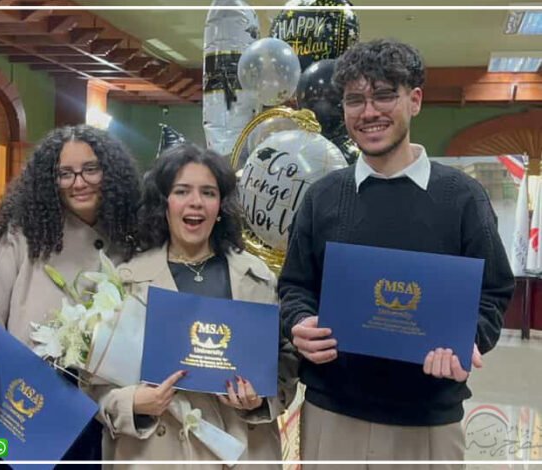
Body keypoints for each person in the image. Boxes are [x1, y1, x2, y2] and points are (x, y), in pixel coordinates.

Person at [277, 38, 515, 466]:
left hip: (428, 420)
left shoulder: (463, 197)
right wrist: (299, 321)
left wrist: (467, 339)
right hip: (332, 413)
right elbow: (295, 285)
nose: (369, 112)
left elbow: (493, 292)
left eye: (384, 95)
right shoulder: (322, 196)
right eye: (355, 100)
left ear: (415, 100)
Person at [89, 144, 298, 468]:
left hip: (242, 451)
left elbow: (285, 362)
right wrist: (133, 403)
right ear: (164, 203)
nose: (196, 202)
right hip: (156, 454)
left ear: (221, 206)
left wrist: (260, 400)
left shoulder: (257, 277)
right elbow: (93, 386)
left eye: (208, 192)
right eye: (182, 191)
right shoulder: (124, 281)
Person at [0, 124, 141, 464]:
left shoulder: (133, 237)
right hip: (24, 410)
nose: (79, 182)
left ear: (110, 173)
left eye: (91, 169)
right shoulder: (17, 235)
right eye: (65, 173)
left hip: (103, 417)